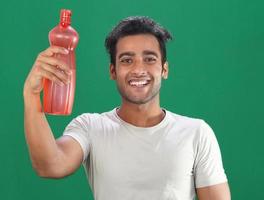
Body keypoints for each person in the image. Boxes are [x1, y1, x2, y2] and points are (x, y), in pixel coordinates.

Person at [23, 16, 231, 200]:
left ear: (164, 69)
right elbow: (49, 165)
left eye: (149, 59)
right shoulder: (91, 127)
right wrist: (31, 96)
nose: (139, 69)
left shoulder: (196, 133)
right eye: (127, 60)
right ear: (113, 71)